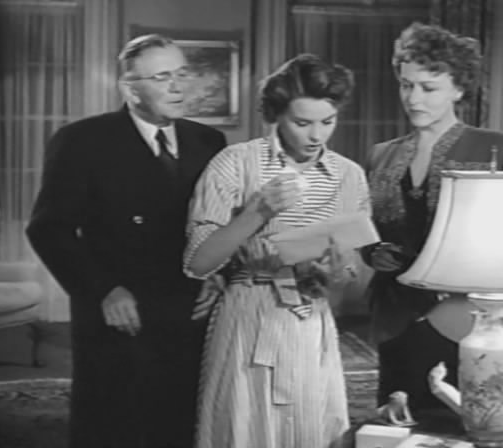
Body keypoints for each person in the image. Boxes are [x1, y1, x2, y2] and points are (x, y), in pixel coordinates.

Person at [26, 34, 226, 448]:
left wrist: (216, 273)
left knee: (179, 421)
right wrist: (103, 290)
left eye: (183, 73)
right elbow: (48, 229)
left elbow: (216, 223)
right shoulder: (82, 141)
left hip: (187, 309)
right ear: (130, 88)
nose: (178, 86)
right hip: (118, 312)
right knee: (115, 425)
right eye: (162, 77)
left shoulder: (208, 142)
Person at [184, 53, 370, 448]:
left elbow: (351, 274)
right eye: (302, 123)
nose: (316, 136)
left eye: (328, 121)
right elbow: (199, 262)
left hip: (310, 319)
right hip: (249, 317)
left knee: (308, 429)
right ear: (276, 116)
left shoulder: (349, 175)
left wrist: (339, 270)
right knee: (244, 428)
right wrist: (257, 212)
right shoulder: (236, 163)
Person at [362, 22, 503, 417]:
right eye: (406, 85)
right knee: (395, 419)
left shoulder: (491, 148)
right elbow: (366, 228)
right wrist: (371, 252)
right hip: (395, 311)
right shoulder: (381, 154)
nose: (413, 98)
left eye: (428, 88)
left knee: (454, 417)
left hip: (460, 313)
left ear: (459, 89)